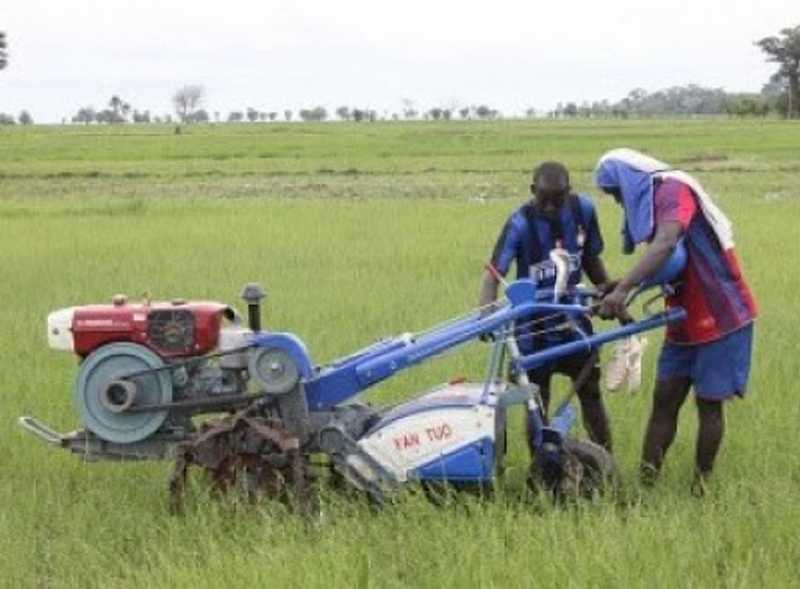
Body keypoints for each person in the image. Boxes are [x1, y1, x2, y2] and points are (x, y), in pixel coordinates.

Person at [595, 148, 757, 495]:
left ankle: (701, 487)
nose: (619, 203)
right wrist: (619, 285)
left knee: (709, 403)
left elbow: (667, 244)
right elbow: (666, 265)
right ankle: (646, 484)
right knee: (665, 397)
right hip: (683, 318)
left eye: (616, 194)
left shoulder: (672, 191)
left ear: (628, 181)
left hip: (720, 314)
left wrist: (624, 289)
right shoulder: (652, 201)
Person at [479, 161, 614, 452]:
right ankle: (543, 470)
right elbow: (493, 274)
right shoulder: (519, 223)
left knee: (590, 392)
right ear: (532, 191)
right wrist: (486, 314)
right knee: (536, 403)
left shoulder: (583, 211)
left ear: (570, 191)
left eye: (559, 199)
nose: (551, 207)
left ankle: (604, 461)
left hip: (574, 322)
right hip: (532, 329)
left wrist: (609, 294)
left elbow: (590, 258)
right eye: (544, 199)